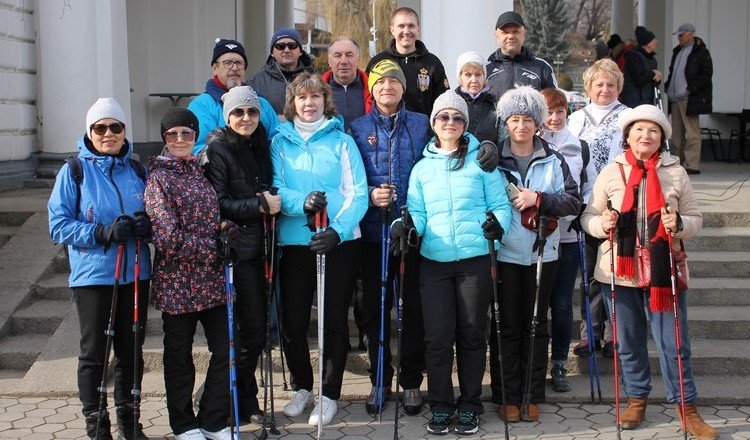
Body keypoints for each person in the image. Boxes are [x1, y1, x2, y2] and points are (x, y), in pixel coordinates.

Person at [581, 104, 717, 440]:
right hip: (619, 268)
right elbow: (588, 217)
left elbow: (696, 219)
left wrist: (680, 223)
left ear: (662, 138)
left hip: (663, 269)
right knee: (627, 341)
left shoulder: (676, 172)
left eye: (654, 131)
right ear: (628, 136)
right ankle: (636, 399)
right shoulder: (612, 172)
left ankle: (687, 408)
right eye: (639, 130)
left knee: (675, 343)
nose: (646, 135)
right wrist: (603, 223)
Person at [398, 90, 511, 435]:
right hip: (434, 261)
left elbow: (502, 205)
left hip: (474, 259)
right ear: (434, 124)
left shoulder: (481, 162)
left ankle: (471, 404)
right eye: (443, 117)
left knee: (473, 334)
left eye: (457, 117)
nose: (450, 123)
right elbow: (416, 210)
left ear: (465, 124)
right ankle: (441, 405)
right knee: (437, 337)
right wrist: (410, 228)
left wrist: (498, 225)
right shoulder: (421, 169)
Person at [48, 97, 151, 440]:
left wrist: (147, 225)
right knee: (94, 352)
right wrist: (101, 232)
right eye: (100, 127)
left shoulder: (138, 170)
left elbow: (156, 211)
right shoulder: (74, 171)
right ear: (90, 131)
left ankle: (130, 421)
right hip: (94, 275)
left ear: (124, 131)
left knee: (131, 351)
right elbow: (58, 225)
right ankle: (97, 425)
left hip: (135, 271)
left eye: (115, 127)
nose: (108, 133)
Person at [271, 72, 368, 427]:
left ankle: (329, 394)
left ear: (325, 102)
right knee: (295, 322)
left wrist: (338, 231)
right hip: (296, 241)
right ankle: (303, 387)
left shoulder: (342, 141)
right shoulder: (279, 142)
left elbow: (357, 191)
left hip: (337, 243)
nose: (309, 104)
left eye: (315, 97)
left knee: (332, 322)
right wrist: (302, 203)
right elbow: (277, 188)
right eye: (302, 98)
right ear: (292, 103)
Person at [144, 108, 239, 440]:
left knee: (228, 348)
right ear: (165, 139)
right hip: (177, 283)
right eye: (173, 134)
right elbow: (167, 237)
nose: (180, 139)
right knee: (179, 357)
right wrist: (212, 248)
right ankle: (183, 423)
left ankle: (213, 419)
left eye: (186, 133)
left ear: (195, 136)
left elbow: (211, 216)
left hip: (211, 281)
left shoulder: (201, 171)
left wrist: (225, 228)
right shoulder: (158, 177)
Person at [490, 86, 581, 423]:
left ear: (538, 123)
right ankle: (505, 395)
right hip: (506, 253)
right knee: (507, 327)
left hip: (545, 253)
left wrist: (539, 198)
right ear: (506, 123)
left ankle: (530, 394)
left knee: (536, 326)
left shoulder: (554, 159)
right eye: (515, 119)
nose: (522, 126)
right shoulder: (494, 160)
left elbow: (572, 203)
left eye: (528, 119)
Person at [349, 59, 431, 416]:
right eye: (381, 83)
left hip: (412, 231)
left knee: (413, 308)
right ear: (372, 89)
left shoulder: (422, 123)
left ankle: (411, 381)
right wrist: (370, 194)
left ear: (403, 88)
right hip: (373, 232)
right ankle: (380, 378)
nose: (388, 88)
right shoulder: (357, 127)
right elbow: (349, 176)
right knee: (375, 310)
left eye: (394, 82)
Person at [202, 86, 280, 425]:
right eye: (238, 113)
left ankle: (244, 398)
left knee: (258, 330)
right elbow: (216, 204)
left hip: (263, 247)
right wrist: (259, 205)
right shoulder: (218, 149)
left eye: (251, 112)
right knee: (250, 332)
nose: (245, 118)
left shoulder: (260, 142)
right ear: (227, 115)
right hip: (238, 252)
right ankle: (229, 398)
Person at [568, 59, 628, 359]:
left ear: (619, 87)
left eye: (610, 84)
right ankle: (589, 333)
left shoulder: (629, 117)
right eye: (599, 84)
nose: (605, 89)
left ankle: (614, 333)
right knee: (591, 273)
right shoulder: (576, 119)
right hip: (588, 205)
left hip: (622, 205)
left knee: (619, 271)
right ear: (588, 87)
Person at [539, 88, 596, 393]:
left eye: (560, 111)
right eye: (549, 111)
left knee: (561, 304)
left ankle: (558, 362)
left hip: (569, 238)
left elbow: (590, 185)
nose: (555, 118)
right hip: (537, 237)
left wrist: (582, 208)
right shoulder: (532, 144)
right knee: (537, 304)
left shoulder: (579, 146)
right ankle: (535, 361)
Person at [189, 38, 279, 154]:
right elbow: (198, 149)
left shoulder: (262, 103)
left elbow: (279, 142)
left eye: (239, 63)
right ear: (215, 69)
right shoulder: (201, 105)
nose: (235, 68)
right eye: (228, 63)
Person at [366, 7, 449, 116]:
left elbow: (444, 103)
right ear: (392, 30)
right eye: (401, 26)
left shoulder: (432, 63)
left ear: (418, 29)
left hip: (422, 130)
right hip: (384, 131)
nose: (406, 31)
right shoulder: (378, 62)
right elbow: (368, 100)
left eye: (411, 26)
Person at [664, 23, 713, 175]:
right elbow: (673, 72)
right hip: (675, 98)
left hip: (689, 98)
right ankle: (678, 161)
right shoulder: (677, 51)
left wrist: (690, 89)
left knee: (692, 133)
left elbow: (706, 74)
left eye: (681, 35)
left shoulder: (701, 52)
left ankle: (692, 164)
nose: (678, 38)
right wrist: (668, 86)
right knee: (677, 133)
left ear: (691, 34)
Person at [486, 11, 557, 100]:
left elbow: (554, 103)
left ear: (524, 34)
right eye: (505, 32)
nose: (511, 36)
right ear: (496, 36)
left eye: (515, 32)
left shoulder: (542, 68)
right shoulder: (485, 69)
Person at [250, 27, 315, 116]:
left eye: (292, 46)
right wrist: (275, 120)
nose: (287, 50)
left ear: (300, 51)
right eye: (280, 46)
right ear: (272, 52)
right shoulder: (256, 82)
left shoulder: (314, 78)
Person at [322, 36, 372, 132]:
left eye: (349, 55)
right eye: (338, 55)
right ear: (329, 61)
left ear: (358, 59)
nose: (344, 61)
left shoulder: (375, 90)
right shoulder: (317, 91)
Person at [455, 51, 498, 143]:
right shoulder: (451, 103)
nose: (474, 80)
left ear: (484, 76)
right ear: (460, 77)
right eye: (468, 75)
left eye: (478, 74)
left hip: (488, 156)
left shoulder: (495, 104)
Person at [621, 26, 662, 108]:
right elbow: (638, 79)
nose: (656, 42)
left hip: (647, 100)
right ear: (647, 43)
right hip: (634, 102)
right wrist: (653, 73)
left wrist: (657, 78)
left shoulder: (652, 59)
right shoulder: (634, 57)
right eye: (653, 40)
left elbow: (650, 80)